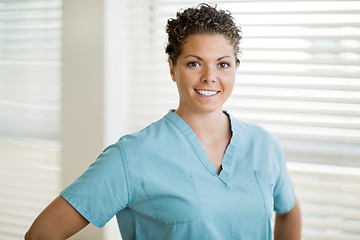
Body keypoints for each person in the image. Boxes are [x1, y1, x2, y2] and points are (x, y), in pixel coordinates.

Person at [25, 4, 301, 240]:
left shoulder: (263, 144)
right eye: (194, 63)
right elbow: (42, 233)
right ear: (172, 68)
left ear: (235, 69)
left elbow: (288, 212)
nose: (209, 76)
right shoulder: (132, 156)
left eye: (223, 64)